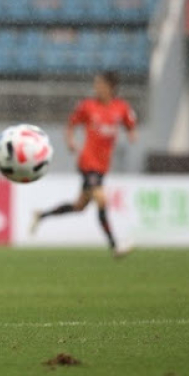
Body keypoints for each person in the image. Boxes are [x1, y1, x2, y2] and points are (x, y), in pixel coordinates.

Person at [31, 71, 136, 258]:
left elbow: (130, 124)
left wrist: (131, 133)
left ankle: (41, 215)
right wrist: (70, 141)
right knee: (101, 199)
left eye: (100, 84)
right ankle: (115, 246)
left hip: (103, 166)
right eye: (96, 84)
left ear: (111, 87)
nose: (96, 88)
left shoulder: (121, 107)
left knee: (79, 206)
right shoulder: (88, 106)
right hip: (88, 162)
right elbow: (71, 124)